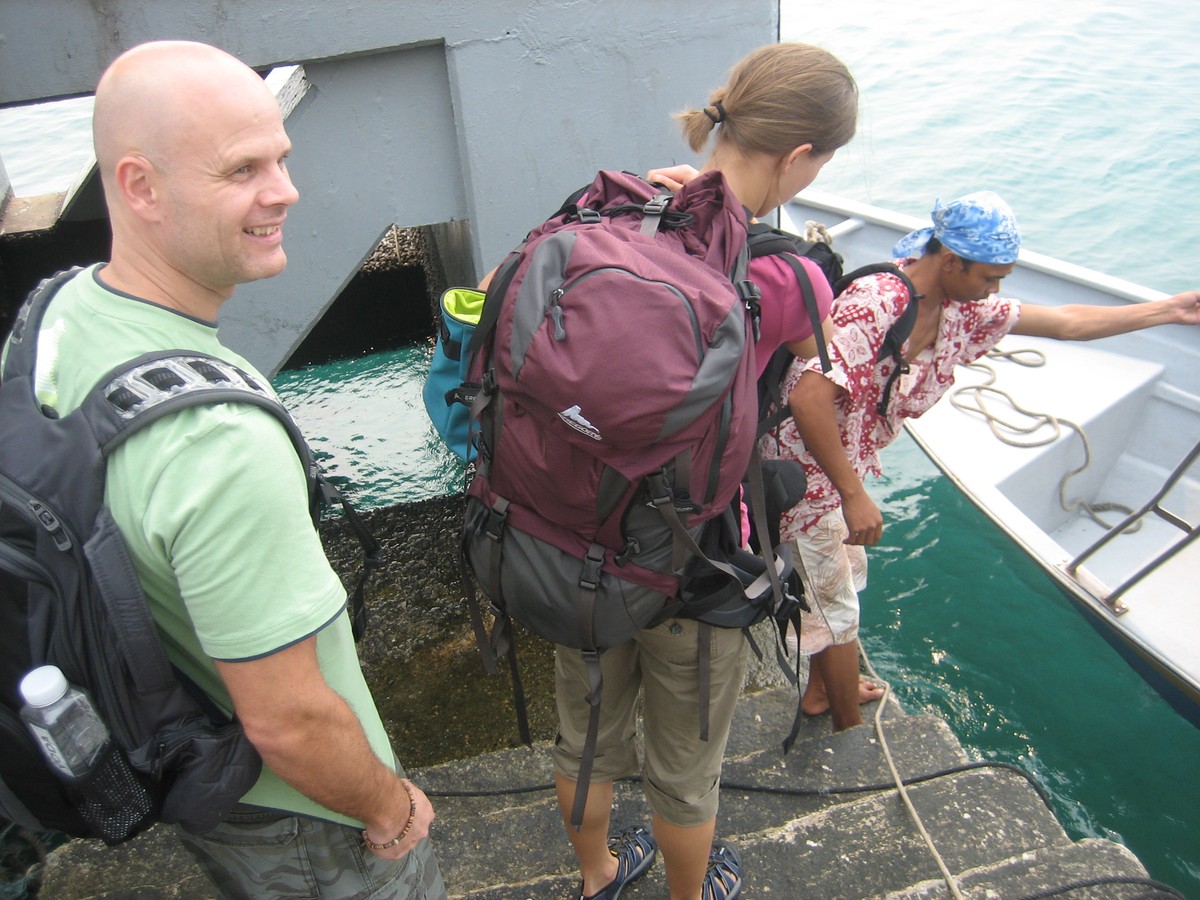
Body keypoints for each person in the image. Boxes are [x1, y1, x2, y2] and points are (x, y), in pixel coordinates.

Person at [4, 41, 446, 898]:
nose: (285, 190)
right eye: (243, 168)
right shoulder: (219, 443)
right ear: (140, 186)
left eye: (281, 157)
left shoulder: (54, 312)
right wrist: (389, 808)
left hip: (188, 767)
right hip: (302, 820)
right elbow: (291, 722)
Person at [544, 43, 858, 900]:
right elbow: (812, 351)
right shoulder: (789, 273)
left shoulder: (607, 212)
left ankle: (598, 878)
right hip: (698, 559)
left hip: (577, 535)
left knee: (586, 739)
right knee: (686, 766)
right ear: (799, 156)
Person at [770, 189, 1200, 733]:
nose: (994, 290)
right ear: (951, 261)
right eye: (990, 278)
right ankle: (848, 729)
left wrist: (1168, 311)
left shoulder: (960, 312)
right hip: (806, 469)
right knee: (835, 607)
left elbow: (1067, 321)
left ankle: (825, 689)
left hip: (844, 463)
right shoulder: (876, 302)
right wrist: (853, 495)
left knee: (847, 577)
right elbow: (808, 397)